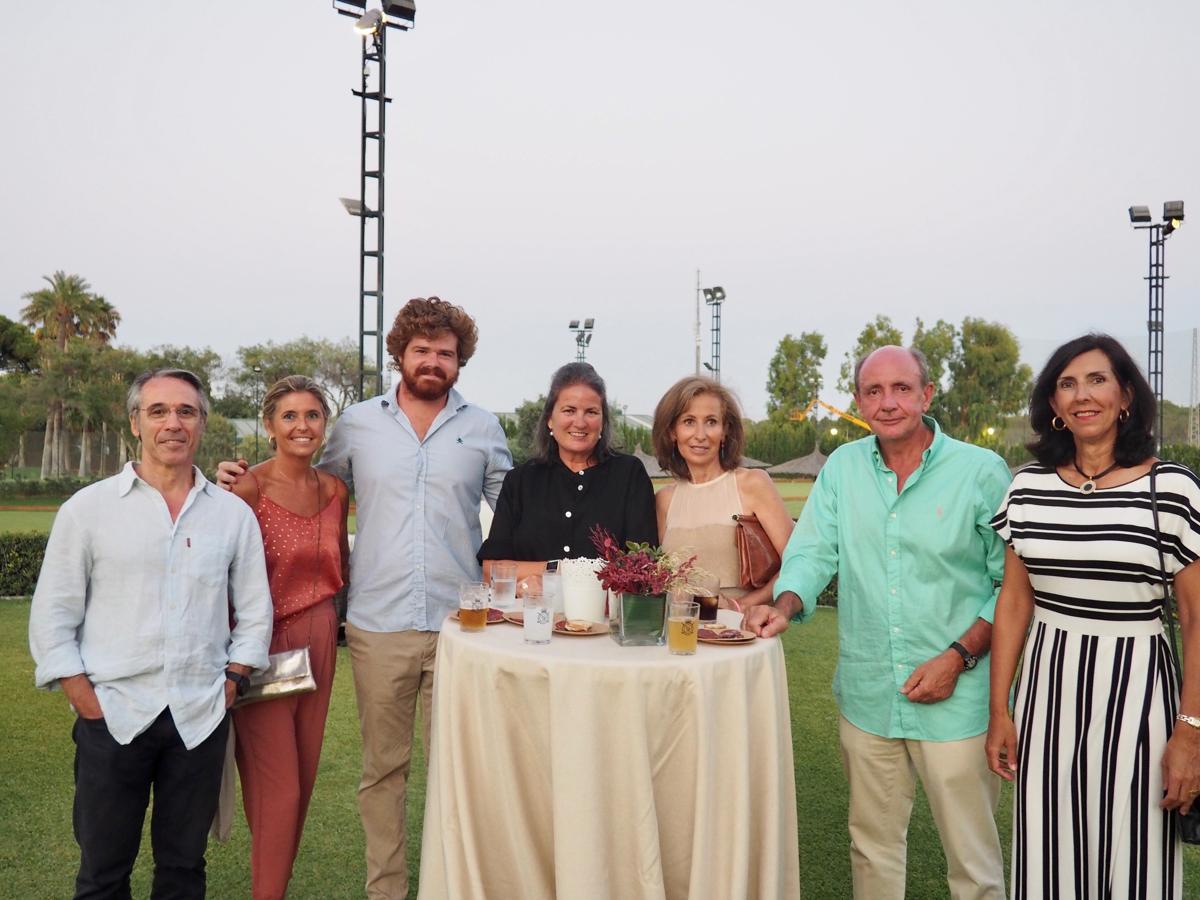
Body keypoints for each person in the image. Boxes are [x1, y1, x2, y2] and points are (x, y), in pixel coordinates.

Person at [219, 297, 511, 899]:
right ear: (400, 353)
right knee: (384, 771)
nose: (433, 361)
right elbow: (303, 481)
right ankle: (387, 892)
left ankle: (455, 887)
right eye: (422, 350)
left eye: (446, 354)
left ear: (461, 363)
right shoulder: (356, 424)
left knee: (459, 773)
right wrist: (234, 482)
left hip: (464, 624)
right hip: (379, 626)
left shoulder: (483, 427)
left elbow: (515, 514)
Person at [745, 345, 1011, 900]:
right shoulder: (843, 467)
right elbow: (814, 550)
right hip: (868, 696)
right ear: (860, 400)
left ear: (926, 395)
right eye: (873, 391)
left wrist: (958, 657)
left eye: (901, 389)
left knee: (973, 864)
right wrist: (786, 603)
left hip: (957, 701)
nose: (887, 403)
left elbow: (1009, 586)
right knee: (873, 849)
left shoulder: (980, 471)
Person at [29, 368, 273, 900]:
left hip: (199, 714)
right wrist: (85, 700)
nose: (173, 423)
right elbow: (53, 616)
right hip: (113, 715)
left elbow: (255, 612)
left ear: (203, 424)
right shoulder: (88, 510)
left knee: (184, 869)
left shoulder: (231, 516)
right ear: (135, 422)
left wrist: (233, 680)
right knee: (102, 872)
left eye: (186, 411)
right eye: (158, 411)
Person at [985, 334, 1200, 899]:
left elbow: (1197, 619)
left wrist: (1191, 731)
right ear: (1053, 406)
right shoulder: (1028, 488)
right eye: (1067, 383)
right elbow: (1013, 602)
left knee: (1136, 856)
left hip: (1140, 696)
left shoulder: (1171, 489)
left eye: (1097, 380)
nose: (1083, 395)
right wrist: (999, 710)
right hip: (1046, 693)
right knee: (1046, 852)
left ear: (1126, 395)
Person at [228, 376, 350, 900]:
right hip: (265, 641)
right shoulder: (246, 488)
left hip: (320, 635)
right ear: (269, 425)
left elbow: (340, 564)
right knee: (278, 786)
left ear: (325, 424)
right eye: (290, 416)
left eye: (313, 415)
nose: (302, 426)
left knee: (302, 781)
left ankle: (271, 884)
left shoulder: (335, 490)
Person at [478, 362, 656, 584]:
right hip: (531, 614)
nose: (580, 422)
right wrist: (558, 568)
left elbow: (642, 566)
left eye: (591, 412)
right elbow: (492, 570)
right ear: (550, 419)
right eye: (569, 410)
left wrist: (538, 573)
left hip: (604, 617)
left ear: (603, 422)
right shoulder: (521, 481)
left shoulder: (629, 475)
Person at [652, 375, 793, 611]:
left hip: (741, 632)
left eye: (711, 421)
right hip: (680, 635)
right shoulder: (664, 500)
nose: (700, 434)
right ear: (671, 432)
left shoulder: (753, 483)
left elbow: (797, 563)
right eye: (688, 421)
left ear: (725, 430)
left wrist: (739, 607)